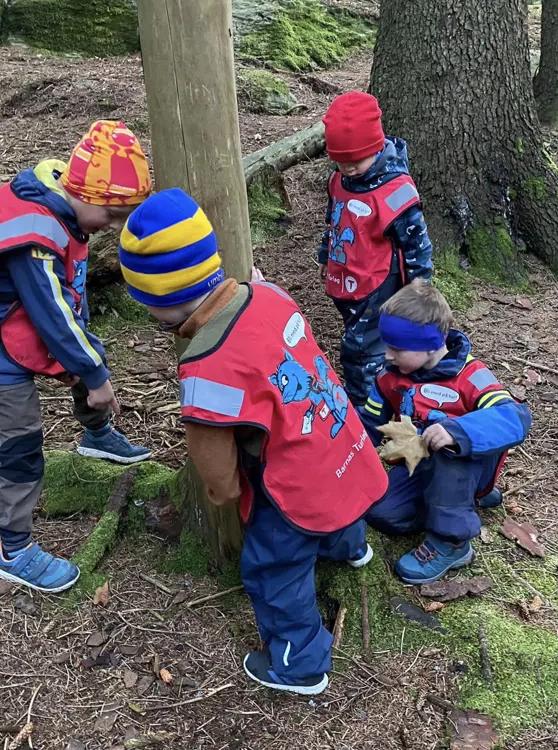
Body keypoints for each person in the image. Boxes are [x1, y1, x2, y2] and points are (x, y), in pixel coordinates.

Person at [119, 188, 388, 696]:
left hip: (297, 482)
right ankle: (349, 547)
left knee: (272, 564)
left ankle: (299, 662)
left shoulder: (205, 367)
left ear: (161, 303)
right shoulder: (269, 295)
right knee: (338, 496)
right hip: (342, 440)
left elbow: (216, 470)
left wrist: (227, 495)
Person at [0, 121, 153, 593]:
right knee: (20, 440)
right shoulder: (35, 234)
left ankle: (97, 434)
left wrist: (89, 366)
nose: (113, 226)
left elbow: (60, 316)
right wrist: (95, 372)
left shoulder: (65, 201)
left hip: (33, 324)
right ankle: (13, 549)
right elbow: (51, 313)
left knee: (85, 358)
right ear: (84, 193)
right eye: (111, 214)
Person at [360, 283, 532, 585]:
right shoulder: (388, 378)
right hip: (420, 468)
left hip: (465, 466)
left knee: (448, 448)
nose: (387, 355)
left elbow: (515, 418)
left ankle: (452, 542)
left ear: (428, 344)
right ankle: (456, 506)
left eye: (396, 348)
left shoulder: (470, 376)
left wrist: (457, 430)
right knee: (380, 512)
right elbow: (368, 423)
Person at [318, 90, 434, 407]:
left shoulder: (395, 190)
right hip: (345, 279)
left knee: (360, 350)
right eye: (341, 162)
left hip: (378, 283)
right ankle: (393, 390)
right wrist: (326, 255)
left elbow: (415, 240)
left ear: (376, 148)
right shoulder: (338, 181)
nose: (349, 168)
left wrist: (419, 284)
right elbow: (335, 220)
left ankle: (366, 410)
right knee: (363, 338)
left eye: (356, 161)